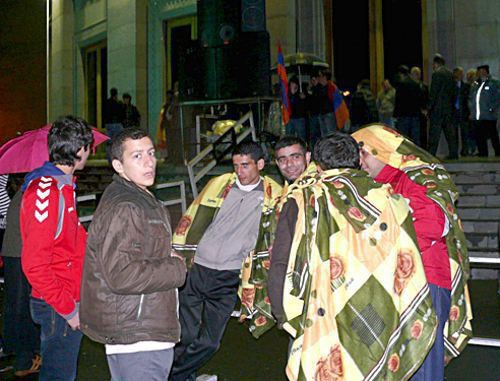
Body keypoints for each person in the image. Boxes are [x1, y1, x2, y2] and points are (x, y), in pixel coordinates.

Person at [268, 131, 437, 381]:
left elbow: (282, 260)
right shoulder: (388, 196)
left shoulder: (304, 198)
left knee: (330, 368)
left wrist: (282, 311)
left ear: (318, 163)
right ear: (358, 159)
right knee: (372, 366)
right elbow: (405, 249)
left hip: (325, 303)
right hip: (379, 302)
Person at [352, 124, 473, 380]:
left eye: (363, 152)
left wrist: (378, 239)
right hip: (386, 284)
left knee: (422, 360)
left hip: (425, 280)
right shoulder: (368, 185)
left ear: (381, 148)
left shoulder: (419, 176)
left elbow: (435, 225)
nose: (359, 160)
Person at [80, 129, 186, 380]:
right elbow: (122, 274)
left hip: (137, 328)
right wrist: (176, 268)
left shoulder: (136, 197)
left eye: (151, 153)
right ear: (118, 165)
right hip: (139, 335)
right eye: (137, 156)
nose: (149, 162)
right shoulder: (127, 205)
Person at [170, 141, 282, 380]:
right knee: (184, 335)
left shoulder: (275, 195)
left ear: (260, 164)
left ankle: (172, 376)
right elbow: (192, 215)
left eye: (245, 165)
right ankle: (180, 377)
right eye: (235, 165)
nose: (239, 171)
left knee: (210, 343)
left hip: (229, 275)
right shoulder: (219, 185)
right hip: (197, 268)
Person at [20, 116, 94, 381]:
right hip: (57, 303)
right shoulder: (47, 190)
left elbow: (71, 239)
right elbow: (34, 264)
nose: (90, 152)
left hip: (64, 296)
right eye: (88, 147)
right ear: (79, 150)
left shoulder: (63, 186)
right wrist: (69, 310)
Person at [1, 175, 41, 377]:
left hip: (14, 252)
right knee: (22, 307)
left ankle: (18, 354)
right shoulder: (32, 191)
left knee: (16, 306)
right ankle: (23, 356)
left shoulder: (24, 191)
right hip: (19, 252)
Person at [428, 54, 458, 159]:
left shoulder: (436, 74)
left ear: (436, 64)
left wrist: (429, 107)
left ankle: (431, 155)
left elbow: (434, 92)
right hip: (448, 109)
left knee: (434, 134)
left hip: (437, 109)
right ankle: (454, 153)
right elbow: (454, 92)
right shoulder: (450, 74)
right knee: (450, 134)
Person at [468, 64, 500, 157]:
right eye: (479, 71)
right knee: (480, 136)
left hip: (489, 116)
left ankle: (498, 153)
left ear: (486, 71)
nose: (480, 73)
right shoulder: (475, 84)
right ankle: (483, 154)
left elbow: (497, 98)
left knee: (493, 135)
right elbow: (471, 98)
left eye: (482, 71)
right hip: (477, 116)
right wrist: (471, 110)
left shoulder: (494, 82)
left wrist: (491, 108)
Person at [393, 65, 425, 146]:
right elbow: (420, 99)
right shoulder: (416, 84)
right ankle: (417, 155)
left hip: (403, 115)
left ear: (401, 74)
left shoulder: (401, 84)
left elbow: (398, 101)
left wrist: (395, 115)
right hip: (415, 114)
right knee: (416, 137)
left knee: (403, 137)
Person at [452, 67, 473, 156]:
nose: (461, 75)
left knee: (465, 133)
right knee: (454, 134)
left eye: (461, 73)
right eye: (459, 73)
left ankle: (465, 151)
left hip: (464, 113)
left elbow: (469, 100)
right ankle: (454, 151)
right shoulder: (451, 86)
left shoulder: (467, 86)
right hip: (454, 113)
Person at [410, 67, 430, 149]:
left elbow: (427, 99)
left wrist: (426, 109)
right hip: (413, 112)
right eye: (415, 73)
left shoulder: (424, 86)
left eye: (418, 73)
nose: (417, 75)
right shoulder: (409, 86)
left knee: (423, 132)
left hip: (422, 113)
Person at [104, 88, 125, 161]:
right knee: (118, 141)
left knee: (109, 143)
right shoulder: (117, 103)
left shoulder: (107, 103)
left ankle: (109, 159)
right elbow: (121, 113)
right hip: (116, 123)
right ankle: (118, 158)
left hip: (108, 124)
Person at [286, 76, 307, 141]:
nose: (292, 85)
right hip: (290, 118)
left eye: (294, 84)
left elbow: (305, 105)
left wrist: (303, 98)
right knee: (289, 136)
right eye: (291, 84)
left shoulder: (301, 92)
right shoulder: (288, 93)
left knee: (301, 137)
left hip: (299, 118)